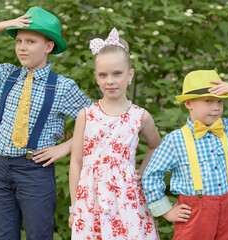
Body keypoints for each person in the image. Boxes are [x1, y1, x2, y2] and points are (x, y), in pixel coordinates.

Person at [0, 7, 92, 240]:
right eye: (18, 40)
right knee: (2, 235)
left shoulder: (63, 87)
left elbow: (98, 121)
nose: (22, 47)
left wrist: (65, 147)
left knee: (39, 235)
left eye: (30, 41)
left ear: (48, 47)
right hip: (1, 168)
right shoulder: (5, 75)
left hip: (35, 171)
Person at [142, 70, 228, 239]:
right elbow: (151, 175)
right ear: (189, 103)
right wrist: (166, 210)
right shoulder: (176, 140)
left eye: (220, 101)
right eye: (208, 101)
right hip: (194, 214)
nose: (216, 107)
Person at [68, 28, 161, 239]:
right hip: (91, 200)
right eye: (103, 75)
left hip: (127, 198)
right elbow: (76, 162)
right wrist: (75, 207)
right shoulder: (86, 115)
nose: (110, 81)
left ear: (130, 75)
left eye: (117, 73)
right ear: (96, 77)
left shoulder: (140, 116)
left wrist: (142, 171)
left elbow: (157, 146)